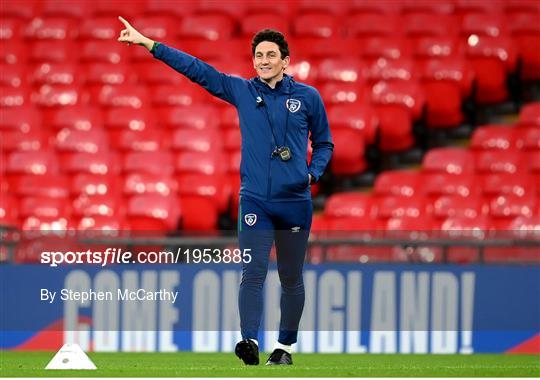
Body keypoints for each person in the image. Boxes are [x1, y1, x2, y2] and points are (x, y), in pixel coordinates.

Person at [117, 16, 333, 365]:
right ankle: (248, 341)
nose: (263, 60)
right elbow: (198, 70)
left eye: (270, 55)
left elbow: (324, 143)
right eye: (258, 55)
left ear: (285, 60)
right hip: (255, 202)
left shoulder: (308, 97)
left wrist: (312, 174)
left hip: (295, 202)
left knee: (290, 276)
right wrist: (150, 45)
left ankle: (285, 348)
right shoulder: (243, 91)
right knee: (253, 271)